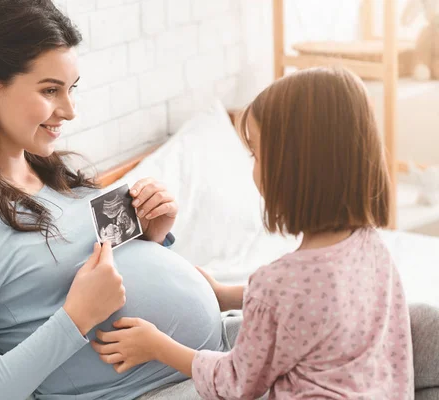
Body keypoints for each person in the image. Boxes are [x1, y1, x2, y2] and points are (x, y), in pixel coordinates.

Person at [0, 1, 225, 399]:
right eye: (50, 90)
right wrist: (75, 319)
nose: (71, 111)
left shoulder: (54, 173)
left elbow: (102, 267)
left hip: (212, 360)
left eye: (71, 88)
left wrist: (154, 234)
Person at [92, 67, 415, 399]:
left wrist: (157, 346)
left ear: (288, 171)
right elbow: (307, 305)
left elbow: (236, 382)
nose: (253, 169)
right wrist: (227, 294)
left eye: (256, 155)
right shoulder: (373, 247)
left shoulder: (278, 284)